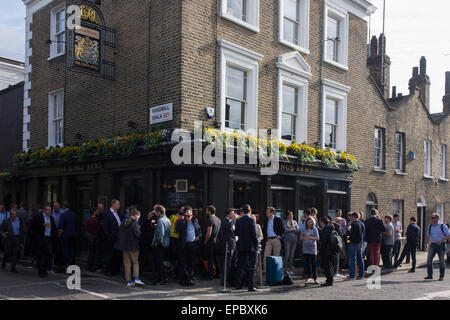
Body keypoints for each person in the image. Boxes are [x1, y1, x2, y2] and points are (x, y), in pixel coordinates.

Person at [115, 207, 143, 287]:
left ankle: (128, 281)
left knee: (127, 263)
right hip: (133, 246)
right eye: (138, 216)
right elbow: (138, 235)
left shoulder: (124, 223)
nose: (138, 218)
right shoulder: (135, 224)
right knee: (135, 262)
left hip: (124, 246)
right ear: (136, 215)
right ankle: (136, 278)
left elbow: (119, 233)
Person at [235, 204, 259, 292]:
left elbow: (236, 233)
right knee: (251, 266)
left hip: (241, 245)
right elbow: (253, 234)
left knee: (240, 266)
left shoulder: (238, 221)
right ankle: (250, 285)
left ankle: (238, 284)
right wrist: (256, 244)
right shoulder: (251, 220)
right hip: (251, 246)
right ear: (250, 211)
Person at [176, 206, 202, 286]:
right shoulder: (181, 222)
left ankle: (190, 279)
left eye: (190, 215)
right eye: (186, 215)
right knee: (182, 263)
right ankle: (182, 280)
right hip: (184, 244)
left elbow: (199, 231)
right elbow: (176, 230)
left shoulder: (195, 221)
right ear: (184, 215)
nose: (188, 217)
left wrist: (199, 236)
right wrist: (185, 222)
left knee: (191, 263)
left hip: (193, 244)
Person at [31, 205, 58, 278]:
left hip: (48, 238)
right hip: (40, 238)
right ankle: (40, 271)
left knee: (49, 254)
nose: (49, 211)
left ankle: (45, 269)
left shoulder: (51, 218)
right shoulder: (38, 217)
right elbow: (33, 226)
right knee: (39, 255)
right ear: (44, 210)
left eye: (50, 210)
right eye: (48, 210)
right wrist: (42, 225)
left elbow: (54, 228)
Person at [424, 213, 450, 281]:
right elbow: (428, 236)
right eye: (432, 218)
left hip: (441, 245)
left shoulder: (442, 226)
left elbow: (448, 235)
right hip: (433, 244)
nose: (433, 219)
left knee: (441, 261)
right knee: (429, 260)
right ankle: (430, 275)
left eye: (434, 218)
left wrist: (441, 240)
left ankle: (441, 276)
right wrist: (426, 244)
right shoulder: (430, 226)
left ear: (438, 218)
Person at [216, 208, 237, 286]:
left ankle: (230, 279)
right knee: (227, 264)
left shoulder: (231, 221)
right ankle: (224, 281)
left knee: (232, 263)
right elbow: (229, 226)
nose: (233, 214)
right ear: (228, 214)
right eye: (232, 213)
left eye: (234, 213)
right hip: (227, 245)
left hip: (233, 244)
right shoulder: (225, 221)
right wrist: (235, 218)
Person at [152, 204, 171, 285]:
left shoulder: (160, 220)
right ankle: (164, 278)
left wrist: (156, 242)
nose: (155, 214)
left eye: (156, 212)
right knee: (162, 262)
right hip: (166, 243)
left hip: (160, 244)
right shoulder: (167, 219)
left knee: (159, 263)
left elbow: (160, 233)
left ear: (159, 212)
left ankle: (161, 279)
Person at [102, 199, 123, 276]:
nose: (119, 206)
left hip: (117, 238)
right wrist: (109, 236)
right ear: (113, 204)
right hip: (111, 238)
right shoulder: (107, 213)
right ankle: (107, 270)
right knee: (109, 254)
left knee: (115, 254)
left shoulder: (118, 214)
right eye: (118, 204)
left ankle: (113, 270)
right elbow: (105, 226)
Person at [1, 208, 25, 272]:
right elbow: (2, 230)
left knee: (15, 253)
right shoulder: (6, 221)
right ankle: (3, 263)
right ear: (10, 215)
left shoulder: (20, 220)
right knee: (7, 253)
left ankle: (13, 268)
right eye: (13, 214)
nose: (14, 216)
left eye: (15, 214)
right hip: (9, 238)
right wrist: (3, 234)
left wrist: (22, 237)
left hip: (17, 238)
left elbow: (22, 228)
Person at [202, 205, 221, 280]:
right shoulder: (218, 219)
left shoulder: (210, 220)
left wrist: (205, 240)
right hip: (216, 241)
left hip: (210, 242)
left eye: (207, 210)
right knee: (216, 258)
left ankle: (210, 275)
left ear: (209, 211)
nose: (206, 212)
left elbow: (209, 232)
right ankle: (218, 273)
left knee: (210, 259)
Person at [262, 207, 285, 271]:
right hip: (268, 240)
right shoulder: (265, 220)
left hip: (276, 239)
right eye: (266, 212)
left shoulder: (278, 219)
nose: (266, 213)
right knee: (266, 256)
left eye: (268, 212)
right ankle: (266, 270)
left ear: (272, 212)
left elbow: (283, 229)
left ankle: (276, 271)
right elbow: (264, 230)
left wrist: (279, 236)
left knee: (276, 256)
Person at [318, 217, 337, 286]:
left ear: (322, 222)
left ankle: (329, 281)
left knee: (327, 266)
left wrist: (320, 249)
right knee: (330, 266)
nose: (319, 223)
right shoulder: (331, 229)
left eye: (320, 222)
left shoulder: (326, 230)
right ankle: (330, 279)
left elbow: (324, 242)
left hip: (326, 251)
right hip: (332, 251)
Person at [300, 217, 319, 284]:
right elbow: (301, 238)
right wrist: (304, 238)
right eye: (309, 222)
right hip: (305, 248)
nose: (310, 223)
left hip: (313, 248)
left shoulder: (315, 229)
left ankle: (315, 277)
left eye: (311, 222)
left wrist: (310, 237)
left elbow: (317, 238)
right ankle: (309, 276)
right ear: (306, 222)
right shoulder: (303, 229)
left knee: (313, 263)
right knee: (307, 263)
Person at [347, 212, 365, 280]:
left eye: (351, 216)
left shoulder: (354, 224)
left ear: (354, 217)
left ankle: (352, 276)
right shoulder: (362, 223)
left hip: (353, 243)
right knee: (360, 259)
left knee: (353, 259)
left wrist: (349, 237)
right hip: (360, 242)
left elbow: (353, 235)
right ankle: (361, 274)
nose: (350, 218)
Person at [58, 202, 77, 268]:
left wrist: (59, 234)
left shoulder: (63, 215)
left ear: (63, 207)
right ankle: (71, 263)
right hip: (72, 234)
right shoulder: (74, 214)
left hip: (65, 235)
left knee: (65, 250)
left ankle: (67, 264)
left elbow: (60, 225)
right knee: (71, 250)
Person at [282, 210, 299, 276]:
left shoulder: (295, 222)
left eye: (292, 215)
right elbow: (285, 229)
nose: (291, 216)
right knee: (287, 255)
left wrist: (292, 230)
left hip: (294, 240)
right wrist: (293, 229)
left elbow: (298, 230)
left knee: (292, 255)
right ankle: (285, 269)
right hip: (287, 240)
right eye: (290, 215)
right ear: (287, 216)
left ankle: (291, 269)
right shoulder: (284, 222)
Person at [169, 205, 184, 277]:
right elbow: (169, 225)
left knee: (178, 254)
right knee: (172, 253)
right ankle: (172, 268)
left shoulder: (183, 218)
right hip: (172, 236)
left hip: (179, 238)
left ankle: (175, 269)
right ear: (178, 210)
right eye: (182, 209)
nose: (183, 211)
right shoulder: (172, 216)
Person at [86, 207, 102, 272]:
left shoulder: (88, 220)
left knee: (90, 253)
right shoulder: (96, 220)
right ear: (94, 212)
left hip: (90, 237)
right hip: (95, 237)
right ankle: (93, 267)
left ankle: (89, 266)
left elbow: (87, 228)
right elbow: (98, 230)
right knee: (95, 253)